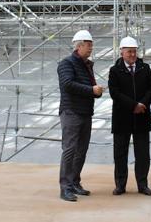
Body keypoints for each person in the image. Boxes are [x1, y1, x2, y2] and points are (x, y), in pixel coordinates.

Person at [57, 29, 105, 202]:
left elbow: (88, 87)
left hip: (84, 112)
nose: (91, 48)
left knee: (81, 151)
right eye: (88, 45)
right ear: (79, 46)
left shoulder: (87, 65)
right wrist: (92, 90)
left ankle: (75, 182)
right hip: (71, 112)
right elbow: (68, 84)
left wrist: (96, 92)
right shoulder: (66, 64)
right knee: (70, 149)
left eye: (91, 45)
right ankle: (65, 188)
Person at [108, 36, 151, 196]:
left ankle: (142, 184)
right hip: (122, 118)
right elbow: (114, 92)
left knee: (143, 154)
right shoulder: (115, 71)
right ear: (122, 52)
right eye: (129, 52)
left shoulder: (145, 68)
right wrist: (133, 105)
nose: (132, 55)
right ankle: (120, 184)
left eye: (134, 51)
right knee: (120, 153)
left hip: (141, 116)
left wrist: (142, 104)